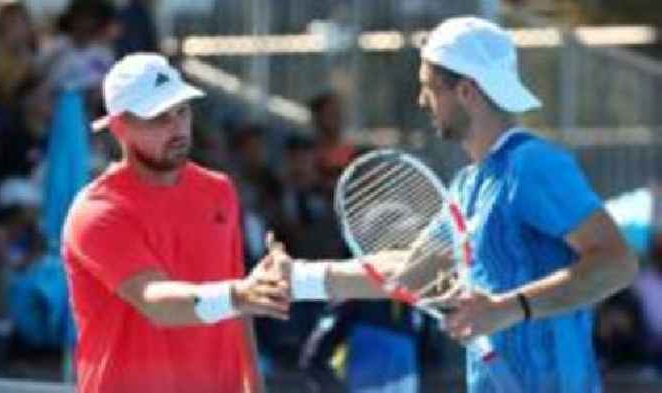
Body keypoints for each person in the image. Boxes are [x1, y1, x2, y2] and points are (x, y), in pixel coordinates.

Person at [264, 16, 638, 393]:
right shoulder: (466, 186)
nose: (421, 99)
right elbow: (409, 269)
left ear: (466, 91)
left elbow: (617, 262)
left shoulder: (533, 165)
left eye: (429, 87)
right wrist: (298, 278)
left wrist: (507, 308)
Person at [62, 53, 289, 393]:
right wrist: (241, 294)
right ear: (121, 127)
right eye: (159, 118)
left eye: (182, 111)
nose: (178, 127)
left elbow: (238, 309)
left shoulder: (219, 190)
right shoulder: (97, 212)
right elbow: (158, 303)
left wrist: (254, 386)